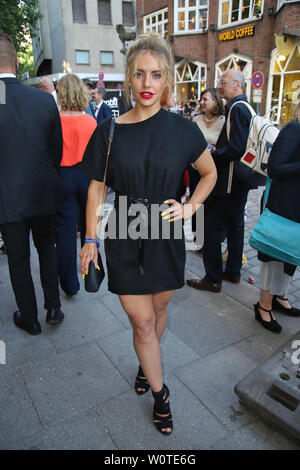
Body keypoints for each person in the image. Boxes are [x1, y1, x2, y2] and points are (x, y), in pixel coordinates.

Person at [80, 33, 217, 435]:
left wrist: (190, 207)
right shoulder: (108, 131)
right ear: (128, 78)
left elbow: (208, 175)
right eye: (139, 74)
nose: (147, 83)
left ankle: (146, 365)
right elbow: (96, 188)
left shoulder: (183, 131)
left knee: (158, 312)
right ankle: (161, 393)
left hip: (165, 231)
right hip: (123, 229)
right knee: (141, 322)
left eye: (156, 75)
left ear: (167, 81)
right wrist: (90, 239)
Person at [0, 33, 64, 335]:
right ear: (15, 61)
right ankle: (54, 307)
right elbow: (56, 152)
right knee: (47, 247)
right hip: (42, 192)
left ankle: (30, 318)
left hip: (7, 196)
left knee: (18, 259)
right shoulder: (42, 99)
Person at [187, 69, 255, 293]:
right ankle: (233, 271)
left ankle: (213, 278)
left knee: (211, 228)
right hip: (241, 181)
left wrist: (209, 157)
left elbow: (236, 148)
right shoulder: (245, 107)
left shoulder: (236, 109)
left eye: (223, 82)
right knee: (236, 224)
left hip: (228, 182)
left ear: (237, 85)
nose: (219, 85)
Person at [254, 102, 300, 333]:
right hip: (283, 204)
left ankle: (280, 297)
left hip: (297, 207)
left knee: (291, 253)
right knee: (274, 251)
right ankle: (263, 305)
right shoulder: (293, 128)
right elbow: (275, 168)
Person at [55, 74, 97, 296]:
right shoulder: (90, 121)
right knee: (89, 227)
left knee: (65, 233)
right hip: (86, 176)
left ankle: (70, 285)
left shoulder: (54, 119)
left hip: (63, 176)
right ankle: (91, 273)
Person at [186, 88, 224, 254]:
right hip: (195, 170)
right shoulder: (195, 121)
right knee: (196, 204)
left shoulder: (223, 122)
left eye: (205, 99)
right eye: (201, 99)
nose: (201, 102)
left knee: (211, 208)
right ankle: (198, 239)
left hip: (214, 171)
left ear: (215, 101)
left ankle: (210, 241)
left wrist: (215, 150)